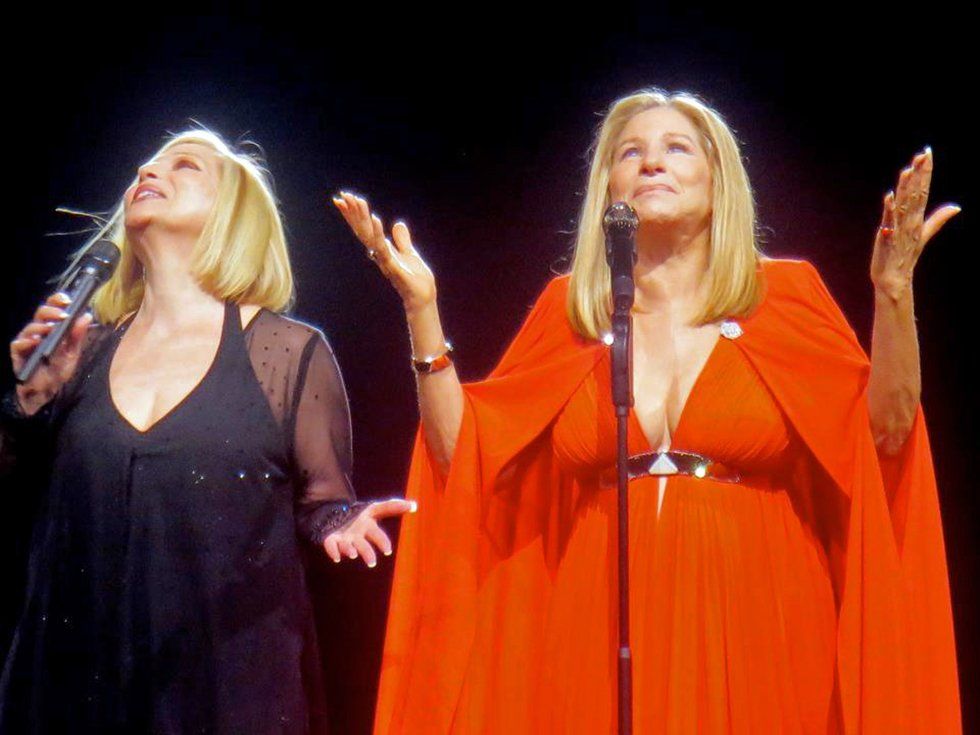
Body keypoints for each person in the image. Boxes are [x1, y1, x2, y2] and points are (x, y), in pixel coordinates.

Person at [334, 89, 961, 733]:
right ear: (609, 190)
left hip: (758, 615)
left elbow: (887, 433)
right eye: (630, 152)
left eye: (676, 148)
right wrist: (422, 311)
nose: (651, 163)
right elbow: (461, 456)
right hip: (595, 617)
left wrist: (893, 292)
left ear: (720, 182)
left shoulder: (787, 297)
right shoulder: (568, 314)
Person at [0, 129, 413, 734]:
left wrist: (338, 521)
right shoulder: (83, 352)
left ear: (232, 217)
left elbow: (320, 501)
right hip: (72, 690)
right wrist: (28, 402)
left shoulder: (284, 352)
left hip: (224, 693)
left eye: (184, 165)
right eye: (144, 165)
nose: (148, 170)